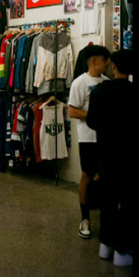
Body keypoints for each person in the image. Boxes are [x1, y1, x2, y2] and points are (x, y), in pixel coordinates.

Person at [87, 50, 134, 267]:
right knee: (127, 204)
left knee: (107, 201)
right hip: (129, 157)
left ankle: (105, 245)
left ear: (113, 67)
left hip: (105, 154)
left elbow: (91, 122)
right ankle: (122, 252)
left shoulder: (100, 91)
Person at [68, 44, 111, 238]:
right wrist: (94, 116)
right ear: (94, 61)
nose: (108, 63)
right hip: (87, 138)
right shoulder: (80, 82)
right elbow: (72, 110)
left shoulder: (107, 81)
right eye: (105, 60)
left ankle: (105, 218)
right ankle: (84, 219)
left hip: (106, 137)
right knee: (86, 175)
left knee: (105, 176)